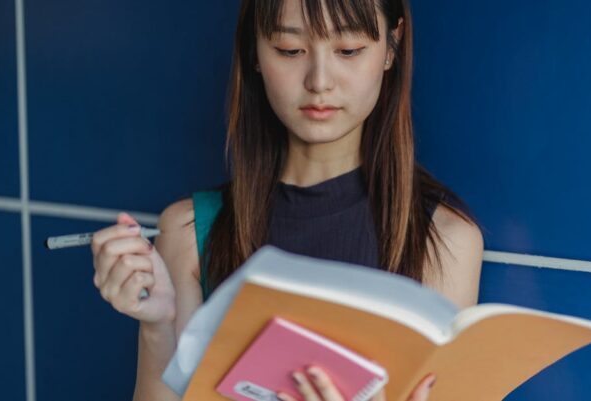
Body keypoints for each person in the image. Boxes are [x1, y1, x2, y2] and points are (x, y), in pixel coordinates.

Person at [90, 0, 484, 400]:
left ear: (391, 46)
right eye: (290, 50)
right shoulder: (191, 231)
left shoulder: (443, 241)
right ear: (255, 51)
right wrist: (157, 327)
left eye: (348, 50)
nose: (319, 81)